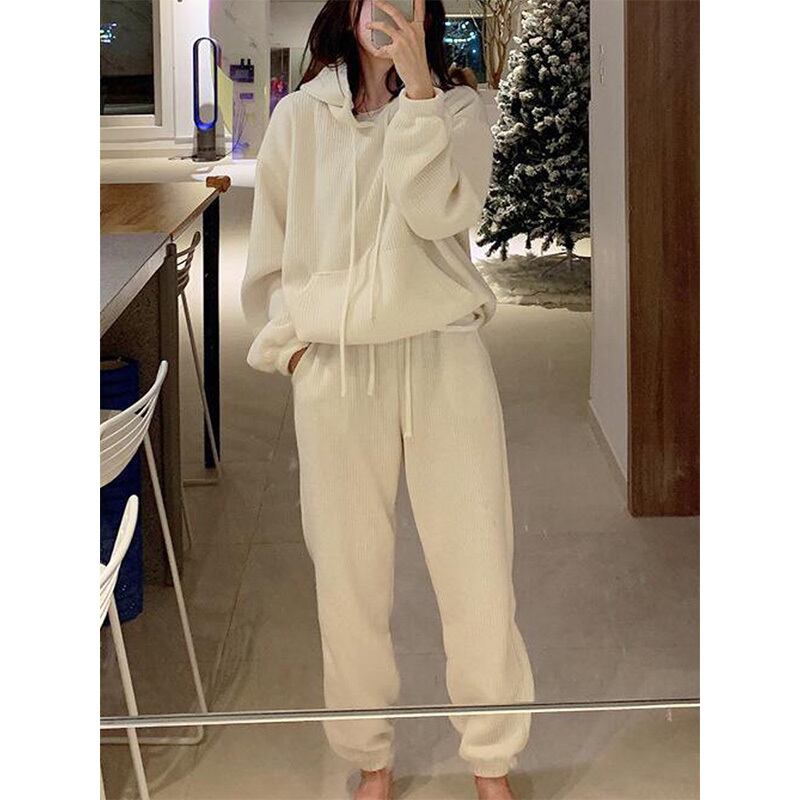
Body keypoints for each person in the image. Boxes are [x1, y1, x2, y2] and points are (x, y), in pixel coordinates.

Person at [241, 2, 534, 798]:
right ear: (350, 7)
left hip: (443, 355)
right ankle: (369, 754)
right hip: (337, 369)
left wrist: (420, 99)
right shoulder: (300, 118)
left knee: (478, 566)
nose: (391, 12)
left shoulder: (460, 109)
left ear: (426, 14)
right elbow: (270, 252)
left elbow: (440, 212)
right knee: (348, 578)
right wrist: (294, 347)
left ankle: (492, 759)